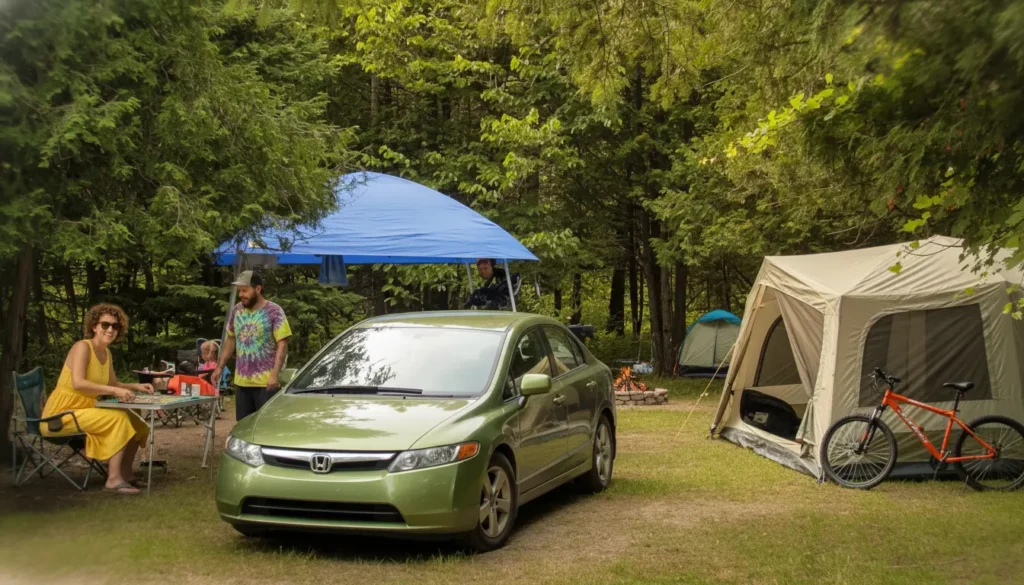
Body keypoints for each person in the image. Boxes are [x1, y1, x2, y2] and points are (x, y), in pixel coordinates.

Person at [40, 303, 154, 495]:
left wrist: (135, 386)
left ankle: (125, 474)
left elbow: (112, 383)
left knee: (137, 421)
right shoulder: (82, 347)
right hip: (61, 415)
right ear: (94, 326)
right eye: (105, 325)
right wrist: (114, 391)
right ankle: (113, 479)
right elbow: (78, 383)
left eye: (115, 326)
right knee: (119, 419)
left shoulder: (106, 352)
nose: (110, 330)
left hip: (85, 409)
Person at [212, 270, 291, 421]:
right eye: (239, 291)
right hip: (242, 381)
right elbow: (230, 339)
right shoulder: (237, 310)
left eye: (245, 290)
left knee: (265, 427)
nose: (241, 294)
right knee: (244, 427)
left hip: (266, 382)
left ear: (258, 289)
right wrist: (219, 367)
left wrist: (275, 374)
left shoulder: (274, 311)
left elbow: (282, 344)